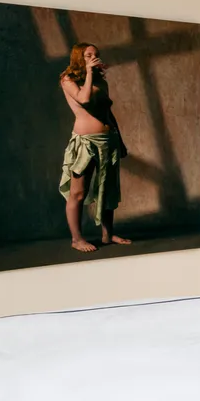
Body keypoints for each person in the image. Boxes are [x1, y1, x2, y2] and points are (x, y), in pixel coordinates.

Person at [58, 43, 131, 253]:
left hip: (108, 140)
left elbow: (107, 113)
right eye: (88, 55)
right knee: (78, 192)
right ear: (78, 58)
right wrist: (89, 72)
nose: (93, 58)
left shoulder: (100, 80)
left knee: (107, 189)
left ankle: (108, 235)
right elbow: (84, 99)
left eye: (96, 55)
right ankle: (76, 239)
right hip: (85, 143)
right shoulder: (68, 79)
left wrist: (121, 140)